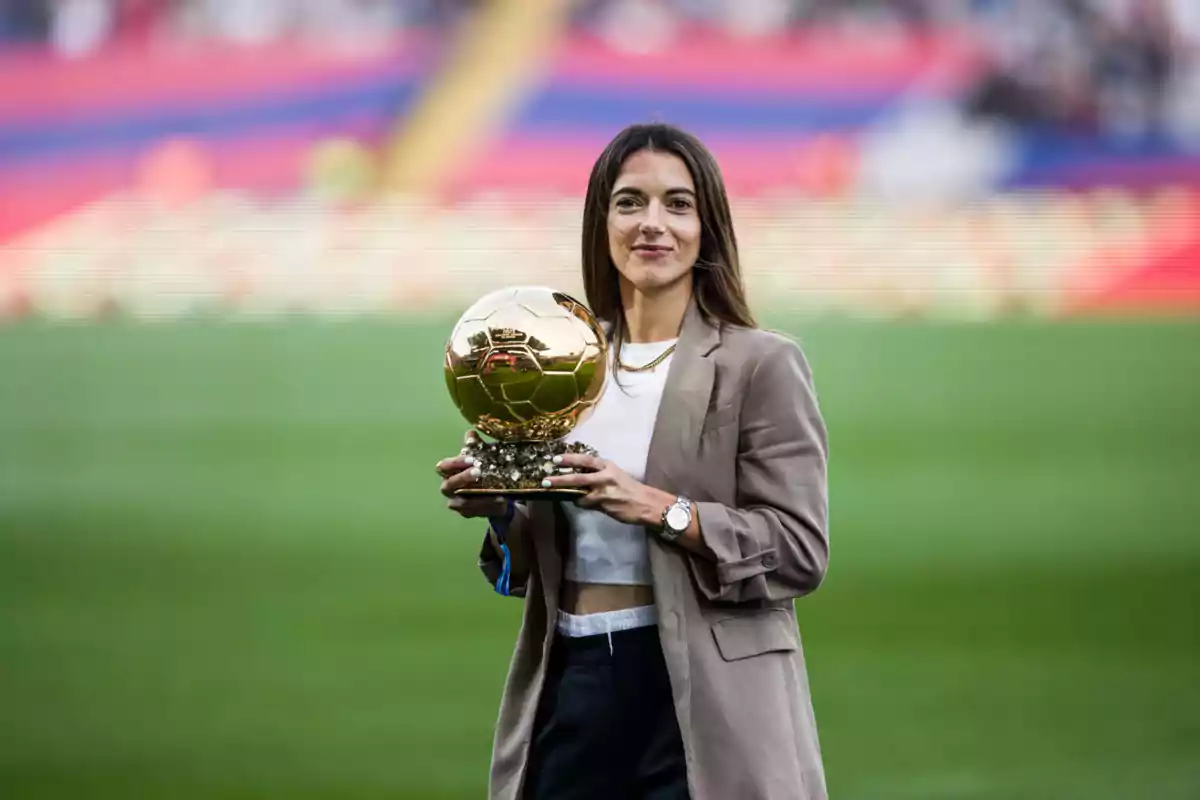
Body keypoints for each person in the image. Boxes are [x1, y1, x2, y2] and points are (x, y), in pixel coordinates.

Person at [436, 123, 830, 800]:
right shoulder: (561, 369)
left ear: (708, 226)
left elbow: (798, 550)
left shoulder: (760, 363)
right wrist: (501, 511)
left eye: (677, 204)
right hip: (573, 676)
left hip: (704, 694)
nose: (654, 224)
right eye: (630, 202)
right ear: (602, 220)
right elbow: (528, 570)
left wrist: (658, 508)